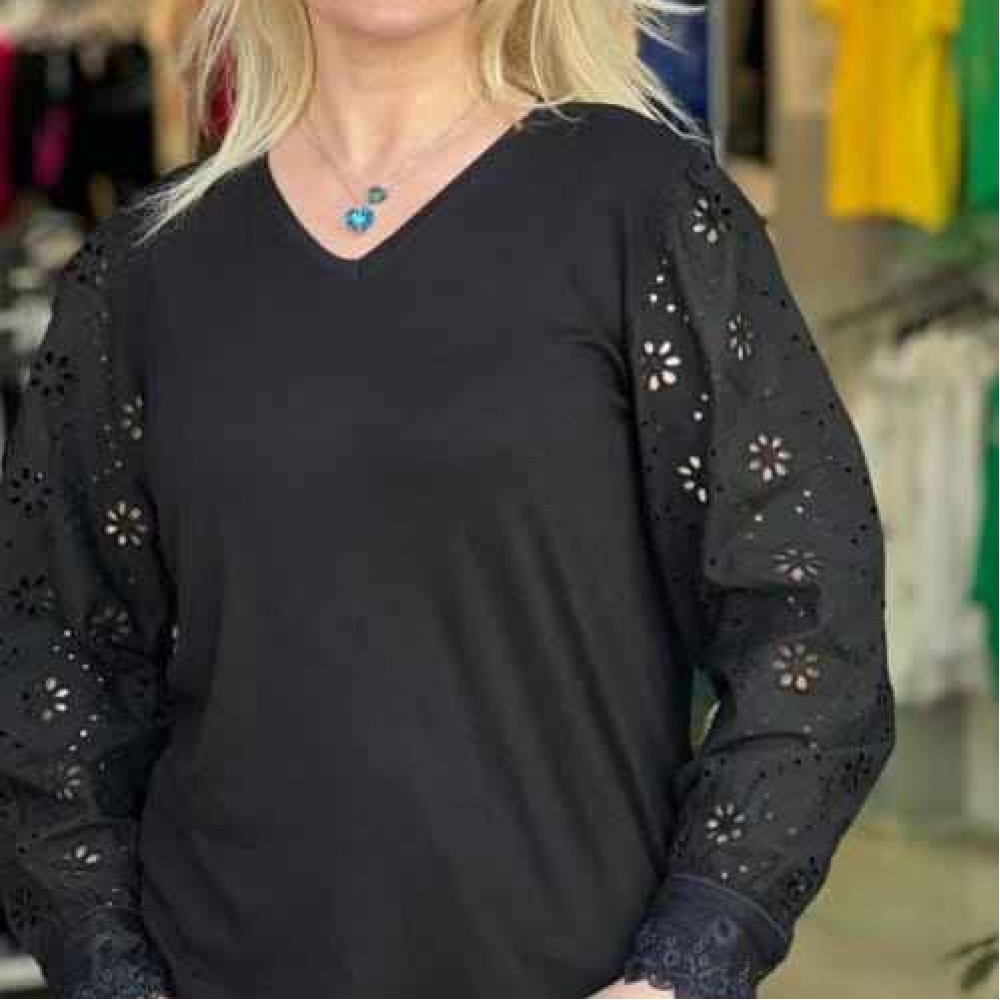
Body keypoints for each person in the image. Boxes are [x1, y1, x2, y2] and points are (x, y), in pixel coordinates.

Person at [0, 1, 896, 997]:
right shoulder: (142, 269)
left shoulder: (645, 205)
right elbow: (55, 669)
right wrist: (109, 973)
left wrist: (691, 957)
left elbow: (808, 618)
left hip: (570, 970)